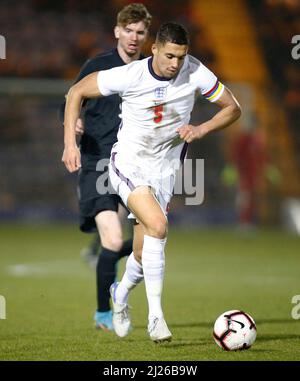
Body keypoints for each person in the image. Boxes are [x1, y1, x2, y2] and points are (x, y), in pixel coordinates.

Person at [62, 22, 241, 342]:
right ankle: (156, 317)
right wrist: (69, 144)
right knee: (158, 226)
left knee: (145, 254)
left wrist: (201, 129)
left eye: (181, 57)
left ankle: (119, 295)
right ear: (155, 49)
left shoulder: (195, 71)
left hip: (164, 172)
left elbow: (232, 107)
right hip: (128, 164)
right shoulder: (131, 75)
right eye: (170, 55)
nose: (176, 64)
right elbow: (76, 91)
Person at [59, 3, 152, 331]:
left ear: (145, 37)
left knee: (152, 237)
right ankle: (103, 313)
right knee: (113, 241)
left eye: (140, 32)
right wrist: (73, 134)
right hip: (98, 162)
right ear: (117, 31)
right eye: (128, 30)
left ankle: (106, 265)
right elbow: (69, 101)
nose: (133, 37)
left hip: (134, 166)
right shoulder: (98, 67)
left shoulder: (150, 72)